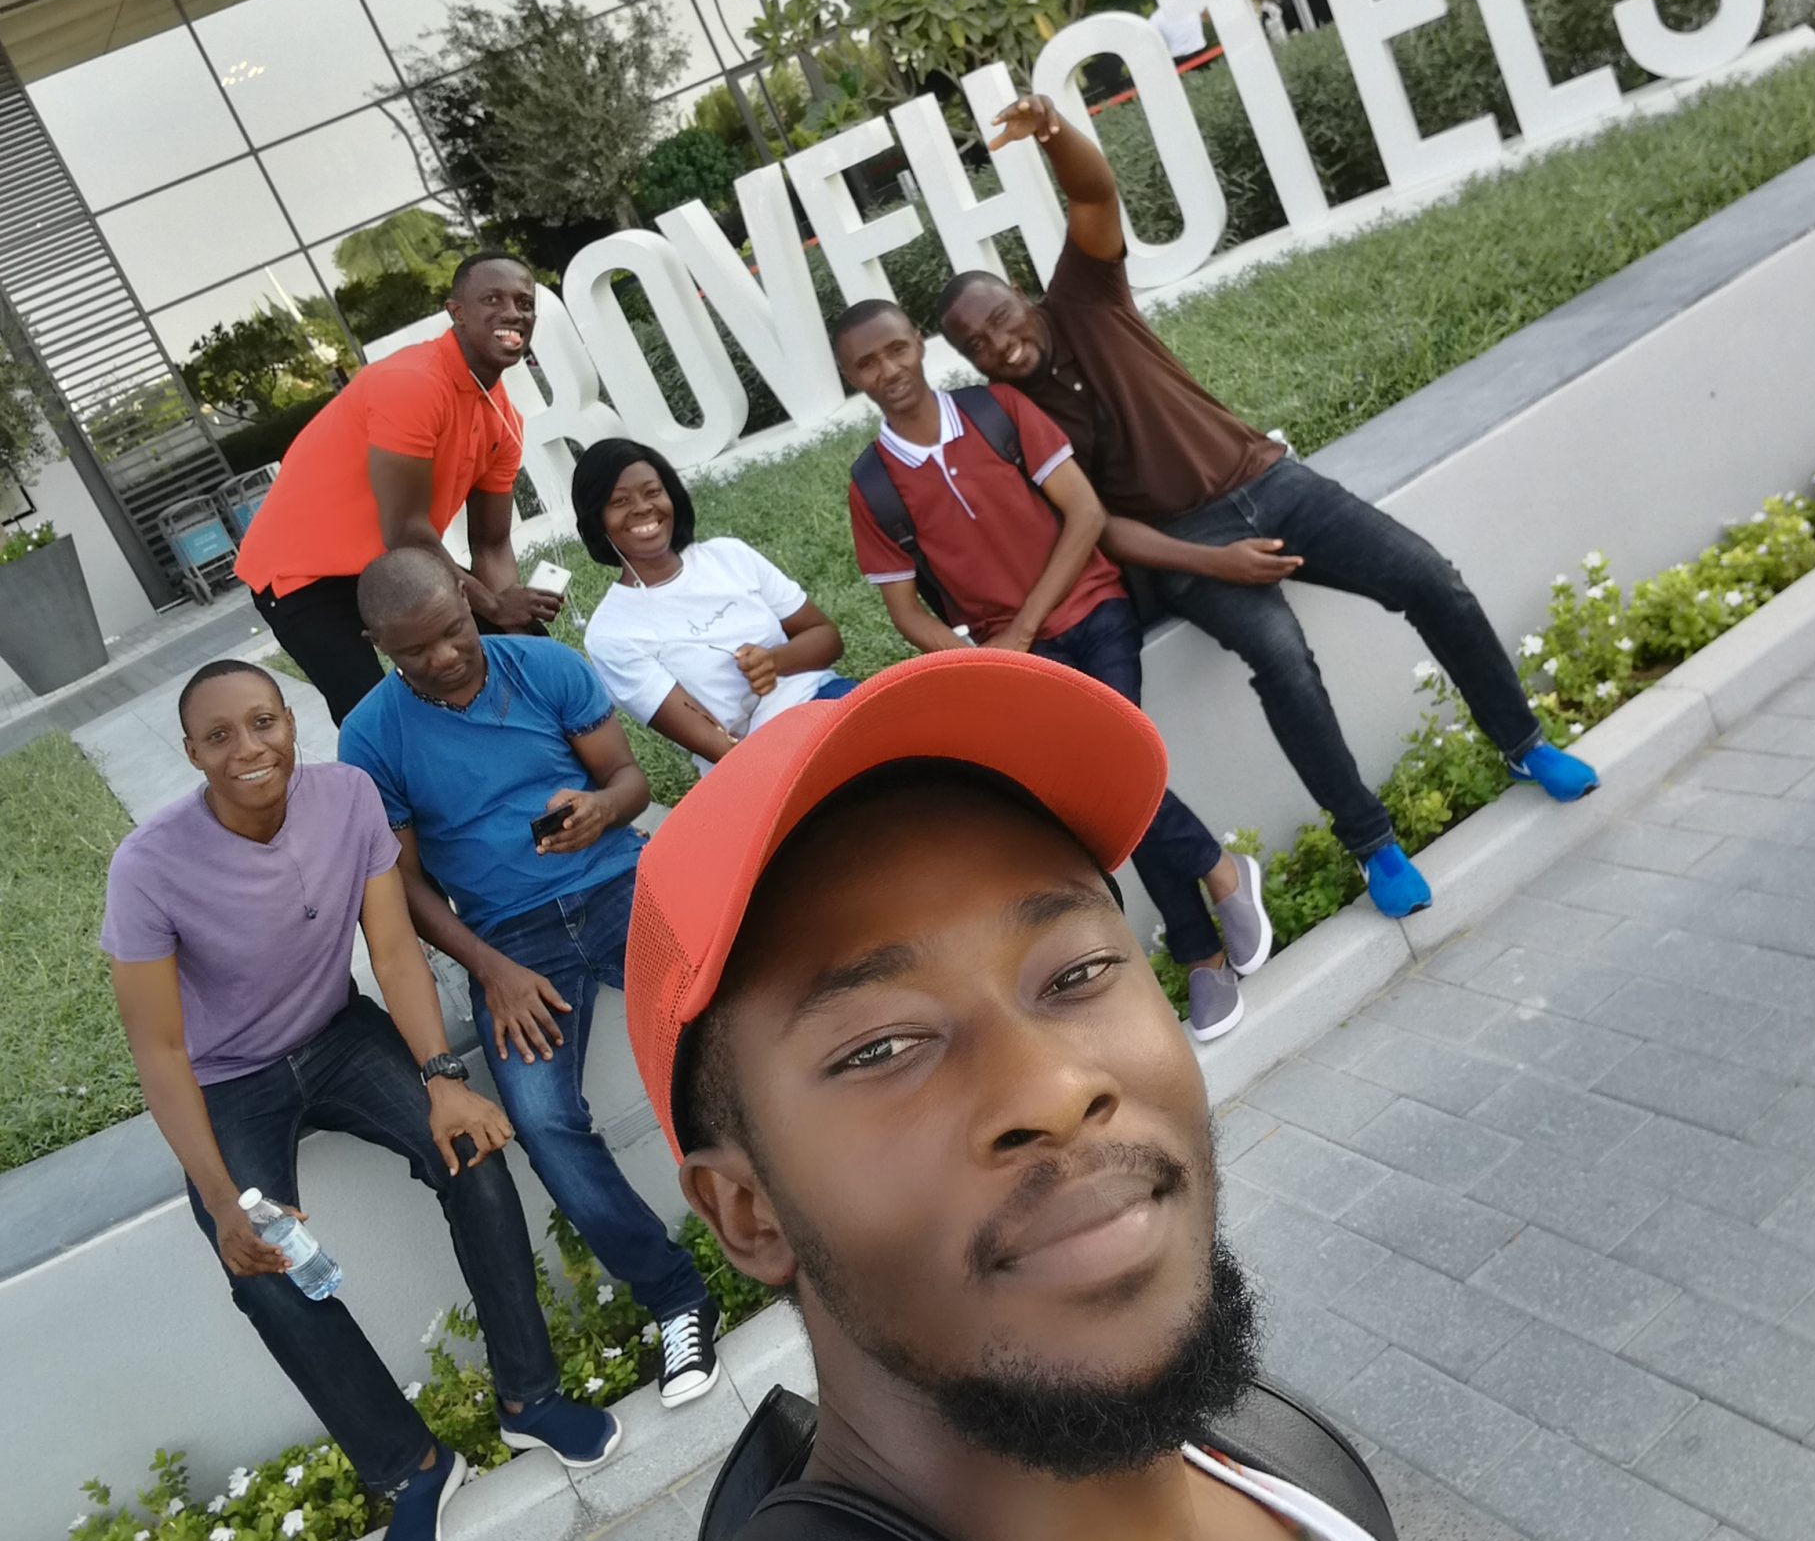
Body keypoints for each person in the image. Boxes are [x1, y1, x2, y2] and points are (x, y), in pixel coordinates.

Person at [576, 651, 1712, 1541]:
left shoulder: (1270, 1465)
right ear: (749, 1214)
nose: (1054, 1089)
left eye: (1073, 974)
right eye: (882, 1045)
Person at [936, 94, 1598, 920]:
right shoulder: (1009, 420)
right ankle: (1373, 844)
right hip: (1186, 545)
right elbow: (1100, 524)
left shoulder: (1084, 297)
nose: (1000, 345)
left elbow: (1094, 194)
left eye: (999, 320)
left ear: (1018, 295)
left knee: (1432, 580)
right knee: (1283, 661)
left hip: (1272, 481)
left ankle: (1524, 744)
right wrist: (1214, 562)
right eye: (977, 346)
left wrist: (1052, 129)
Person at [103, 660, 618, 1541]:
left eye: (263, 722)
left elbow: (392, 949)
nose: (248, 748)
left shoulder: (346, 799)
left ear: (290, 722)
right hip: (227, 1079)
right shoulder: (148, 867)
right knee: (257, 1269)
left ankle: (529, 1398)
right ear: (191, 753)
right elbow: (160, 1051)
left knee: (470, 1152)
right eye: (219, 736)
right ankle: (412, 1467)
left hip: (339, 1035)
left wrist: (443, 1080)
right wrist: (220, 1201)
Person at [337, 548, 721, 1408]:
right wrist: (490, 968)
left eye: (453, 630)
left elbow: (628, 779)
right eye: (414, 651)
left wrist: (601, 811)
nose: (443, 657)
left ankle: (806, 1218)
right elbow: (405, 888)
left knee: (732, 1021)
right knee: (543, 1122)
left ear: (467, 598)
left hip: (619, 887)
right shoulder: (369, 736)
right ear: (376, 645)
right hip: (509, 943)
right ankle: (675, 1299)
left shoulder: (545, 667)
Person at [830, 299, 1270, 1041]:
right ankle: (1215, 890)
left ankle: (1206, 940)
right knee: (1109, 780)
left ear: (919, 345)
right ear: (851, 377)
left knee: (1108, 768)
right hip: (1012, 658)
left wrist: (1025, 627)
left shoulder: (997, 412)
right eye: (867, 363)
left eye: (897, 349)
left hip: (1095, 612)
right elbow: (905, 611)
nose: (889, 370)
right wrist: (979, 665)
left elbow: (1086, 514)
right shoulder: (872, 483)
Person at [236, 253, 561, 727]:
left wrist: (511, 615)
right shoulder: (413, 383)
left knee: (525, 658)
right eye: (493, 299)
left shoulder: (503, 419)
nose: (513, 313)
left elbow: (491, 544)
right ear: (456, 311)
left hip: (389, 563)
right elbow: (405, 531)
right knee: (379, 719)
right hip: (302, 575)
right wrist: (492, 604)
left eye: (524, 303)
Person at [570, 438, 854, 774]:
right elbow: (718, 744)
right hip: (757, 755)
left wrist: (774, 661)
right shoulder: (611, 631)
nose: (643, 507)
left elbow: (827, 638)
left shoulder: (729, 555)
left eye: (652, 492)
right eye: (619, 501)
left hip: (822, 700)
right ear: (597, 519)